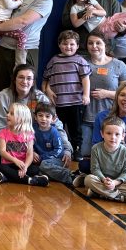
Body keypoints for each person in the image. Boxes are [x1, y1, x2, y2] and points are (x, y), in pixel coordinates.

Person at [0, 64, 72, 166]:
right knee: (3, 160)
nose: (25, 81)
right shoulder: (3, 96)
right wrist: (25, 150)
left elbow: (56, 124)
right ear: (14, 79)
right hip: (10, 144)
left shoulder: (40, 98)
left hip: (36, 144)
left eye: (29, 78)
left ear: (33, 81)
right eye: (21, 77)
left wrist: (67, 149)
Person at [0, 0, 53, 86]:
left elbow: (23, 21)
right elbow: (2, 15)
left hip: (25, 51)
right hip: (3, 49)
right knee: (2, 92)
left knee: (23, 95)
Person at [81, 32, 126, 159]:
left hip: (110, 120)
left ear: (105, 45)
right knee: (85, 153)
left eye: (98, 43)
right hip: (86, 118)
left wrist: (107, 94)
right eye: (90, 43)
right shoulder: (81, 61)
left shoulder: (118, 64)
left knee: (108, 155)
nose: (94, 46)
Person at [42, 30, 91, 158]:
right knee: (58, 128)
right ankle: (60, 148)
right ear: (59, 45)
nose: (68, 47)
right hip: (57, 103)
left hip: (75, 102)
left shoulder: (79, 60)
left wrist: (86, 95)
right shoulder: (54, 60)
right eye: (65, 44)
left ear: (77, 46)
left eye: (71, 44)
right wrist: (47, 90)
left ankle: (77, 149)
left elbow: (85, 78)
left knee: (76, 128)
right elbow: (45, 78)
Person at [83, 116, 126, 205]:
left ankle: (99, 194)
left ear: (123, 136)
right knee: (88, 179)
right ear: (102, 134)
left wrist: (115, 183)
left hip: (118, 183)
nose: (113, 137)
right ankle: (120, 197)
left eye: (117, 134)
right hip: (102, 181)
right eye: (108, 133)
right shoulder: (96, 149)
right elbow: (95, 169)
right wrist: (104, 180)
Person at [0, 103, 48, 186]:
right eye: (8, 112)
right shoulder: (3, 133)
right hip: (9, 164)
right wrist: (15, 160)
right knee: (1, 167)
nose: (7, 115)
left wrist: (25, 167)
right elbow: (2, 152)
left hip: (23, 165)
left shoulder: (29, 134)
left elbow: (30, 154)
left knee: (35, 169)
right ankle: (30, 180)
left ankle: (8, 177)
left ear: (21, 119)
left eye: (12, 114)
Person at [33, 103, 73, 184]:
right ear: (35, 117)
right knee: (35, 169)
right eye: (40, 115)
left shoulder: (54, 132)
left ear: (53, 118)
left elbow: (59, 150)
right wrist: (32, 152)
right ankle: (50, 175)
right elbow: (29, 143)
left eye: (47, 116)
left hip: (57, 159)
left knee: (43, 165)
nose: (43, 119)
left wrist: (42, 158)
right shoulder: (33, 129)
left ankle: (71, 176)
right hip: (41, 161)